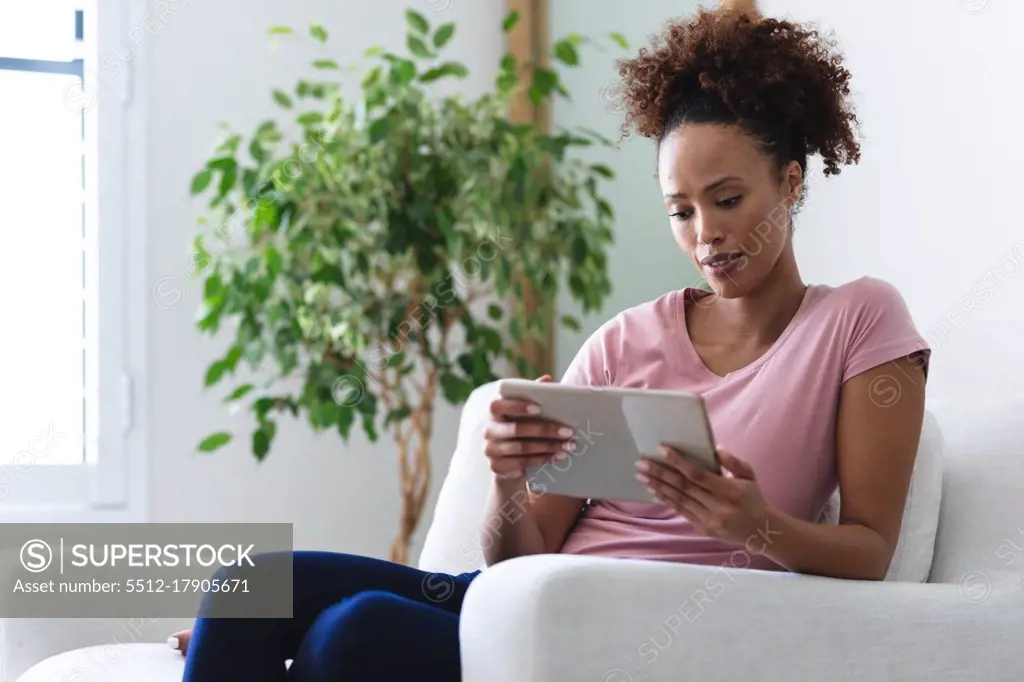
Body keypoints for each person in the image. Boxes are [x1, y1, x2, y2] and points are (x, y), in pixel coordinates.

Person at [175, 3, 931, 680]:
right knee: (247, 588)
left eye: (728, 200)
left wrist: (751, 522)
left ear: (791, 183)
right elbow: (517, 560)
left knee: (351, 636)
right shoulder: (625, 340)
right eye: (680, 211)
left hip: (626, 630)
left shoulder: (858, 321)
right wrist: (508, 481)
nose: (706, 235)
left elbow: (870, 551)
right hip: (528, 603)